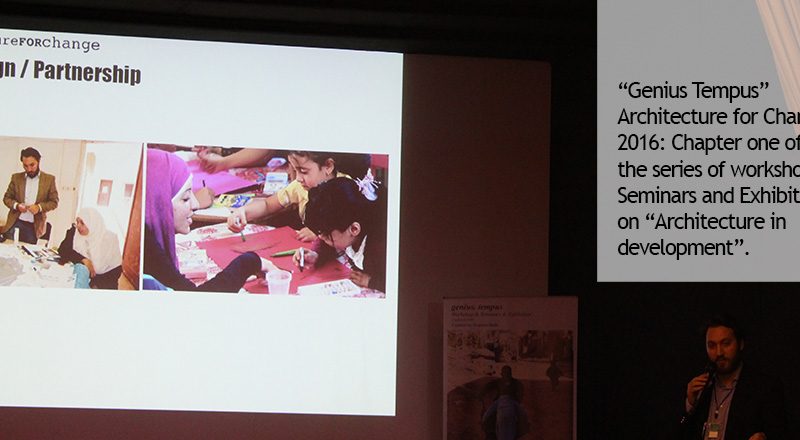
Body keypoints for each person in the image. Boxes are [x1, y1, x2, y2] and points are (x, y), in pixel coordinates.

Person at [144, 148, 276, 292]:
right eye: (186, 198)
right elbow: (194, 299)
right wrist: (250, 262)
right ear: (156, 203)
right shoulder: (145, 248)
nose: (195, 205)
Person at [682, 314, 787, 440]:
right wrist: (690, 405)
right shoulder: (701, 387)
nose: (719, 352)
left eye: (726, 344)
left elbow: (779, 433)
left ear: (740, 344)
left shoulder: (765, 387)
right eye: (712, 345)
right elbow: (680, 432)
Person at [227, 151, 369, 242]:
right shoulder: (300, 186)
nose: (298, 178)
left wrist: (319, 232)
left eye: (304, 171)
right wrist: (243, 212)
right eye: (295, 170)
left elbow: (352, 231)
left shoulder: (346, 190)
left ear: (328, 166)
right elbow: (268, 205)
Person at [292, 176, 387, 291]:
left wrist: (371, 282)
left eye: (326, 235)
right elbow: (326, 243)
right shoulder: (346, 227)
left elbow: (401, 281)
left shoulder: (381, 248)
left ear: (354, 229)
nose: (320, 237)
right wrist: (316, 254)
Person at [1, 147, 59, 244]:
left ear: (38, 161)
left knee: (28, 252)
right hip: (15, 223)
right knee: (9, 250)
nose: (29, 169)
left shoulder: (49, 180)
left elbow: (54, 202)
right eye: (25, 166)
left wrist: (39, 207)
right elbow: (7, 198)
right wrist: (17, 206)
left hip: (34, 227)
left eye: (32, 165)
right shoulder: (16, 178)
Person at [58, 207, 122, 290]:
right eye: (77, 221)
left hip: (102, 284)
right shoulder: (74, 233)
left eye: (82, 223)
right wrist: (84, 259)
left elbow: (116, 270)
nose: (78, 226)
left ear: (93, 224)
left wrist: (95, 286)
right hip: (79, 277)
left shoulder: (109, 239)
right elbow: (63, 250)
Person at [482, 365, 529, 440]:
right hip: (505, 404)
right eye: (505, 373)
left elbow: (520, 393)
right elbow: (488, 386)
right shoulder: (502, 382)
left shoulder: (514, 383)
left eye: (507, 373)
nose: (506, 375)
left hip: (508, 403)